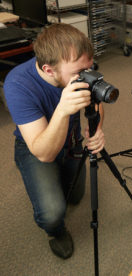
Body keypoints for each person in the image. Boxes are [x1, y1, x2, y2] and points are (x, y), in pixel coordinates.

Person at [3, 23, 105, 259]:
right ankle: (55, 232)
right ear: (49, 70)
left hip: (71, 139)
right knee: (52, 212)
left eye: (89, 68)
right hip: (36, 146)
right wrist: (62, 110)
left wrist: (96, 129)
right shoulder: (18, 84)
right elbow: (43, 153)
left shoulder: (81, 66)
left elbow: (96, 99)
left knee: (75, 197)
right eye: (79, 73)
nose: (86, 75)